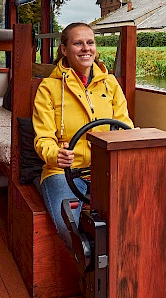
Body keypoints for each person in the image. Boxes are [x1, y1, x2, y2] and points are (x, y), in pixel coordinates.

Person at [32, 22, 133, 250]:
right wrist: (55, 155)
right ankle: (89, 272)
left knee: (134, 211)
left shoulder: (111, 84)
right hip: (64, 170)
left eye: (90, 42)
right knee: (69, 225)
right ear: (64, 49)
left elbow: (125, 126)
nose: (86, 48)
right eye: (78, 43)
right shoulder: (48, 88)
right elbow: (43, 139)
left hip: (106, 166)